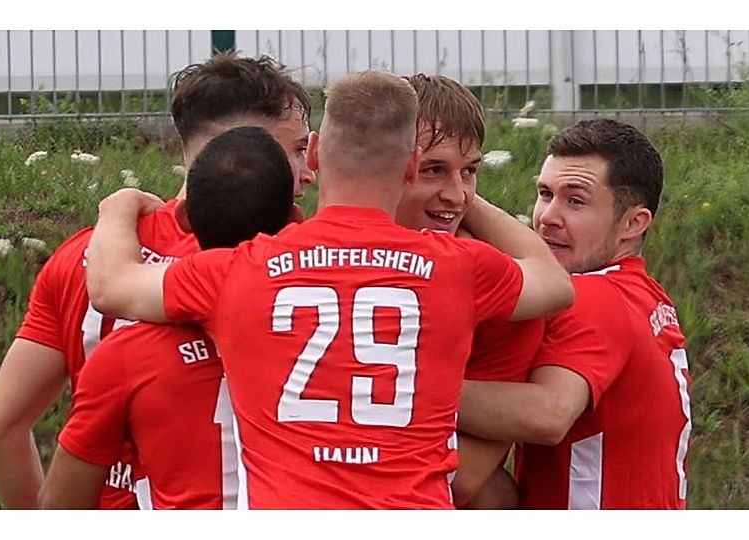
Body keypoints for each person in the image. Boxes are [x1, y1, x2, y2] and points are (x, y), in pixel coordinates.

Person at [84, 70, 574, 509]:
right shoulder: (457, 268)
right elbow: (553, 282)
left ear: (315, 153)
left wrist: (118, 207)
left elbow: (111, 285)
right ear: (409, 166)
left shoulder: (244, 267)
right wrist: (470, 202)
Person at [0, 53, 314, 509]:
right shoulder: (270, 270)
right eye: (295, 150)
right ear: (246, 152)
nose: (309, 171)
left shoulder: (81, 254)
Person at [39, 126, 296, 509]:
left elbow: (60, 509)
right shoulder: (329, 333)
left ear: (183, 217)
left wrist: (118, 207)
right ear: (294, 219)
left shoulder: (125, 355)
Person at [457, 118, 691, 509]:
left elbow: (549, 414)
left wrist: (412, 388)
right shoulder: (642, 293)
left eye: (575, 200)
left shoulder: (592, 295)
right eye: (545, 193)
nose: (548, 216)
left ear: (634, 223)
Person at [393, 73, 544, 508]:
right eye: (433, 170)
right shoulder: (316, 255)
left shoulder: (496, 287)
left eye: (470, 172)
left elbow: (464, 480)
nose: (456, 195)